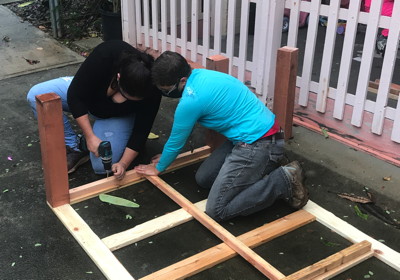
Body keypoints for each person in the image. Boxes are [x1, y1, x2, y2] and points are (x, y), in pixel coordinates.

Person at [135, 51, 308, 221]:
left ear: (182, 80)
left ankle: (284, 179)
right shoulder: (202, 75)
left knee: (217, 209)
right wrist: (166, 157)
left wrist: (159, 167)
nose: (166, 93)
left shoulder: (191, 100)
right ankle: (269, 163)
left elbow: (176, 141)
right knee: (204, 179)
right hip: (253, 137)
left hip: (258, 143)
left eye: (167, 89)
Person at [27, 40, 161, 180]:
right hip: (89, 95)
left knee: (101, 167)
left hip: (115, 116)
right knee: (36, 96)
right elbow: (75, 95)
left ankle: (121, 132)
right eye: (126, 95)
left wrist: (123, 163)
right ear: (119, 77)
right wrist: (90, 136)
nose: (126, 99)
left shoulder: (153, 87)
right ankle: (75, 145)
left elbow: (141, 130)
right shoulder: (107, 53)